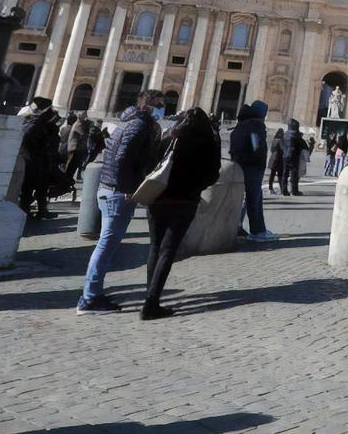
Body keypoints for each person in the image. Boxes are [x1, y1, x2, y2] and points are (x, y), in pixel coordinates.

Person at [76, 91, 165, 315]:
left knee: (106, 245)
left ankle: (92, 293)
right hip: (117, 192)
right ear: (149, 106)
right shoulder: (138, 126)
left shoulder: (127, 123)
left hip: (109, 188)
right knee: (106, 246)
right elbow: (122, 157)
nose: (163, 108)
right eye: (160, 104)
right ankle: (89, 298)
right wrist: (127, 187)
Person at [141, 107, 222, 319]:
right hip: (185, 201)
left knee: (155, 247)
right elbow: (213, 176)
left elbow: (149, 164)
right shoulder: (207, 144)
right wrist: (196, 186)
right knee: (168, 251)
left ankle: (151, 295)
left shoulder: (170, 137)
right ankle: (152, 301)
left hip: (158, 198)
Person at [229, 101, 276, 241]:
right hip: (252, 167)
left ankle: (236, 226)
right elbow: (256, 146)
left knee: (242, 197)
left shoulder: (241, 125)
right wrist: (259, 160)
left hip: (239, 164)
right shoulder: (255, 126)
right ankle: (258, 231)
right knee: (254, 198)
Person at [18, 98, 61, 219]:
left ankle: (41, 210)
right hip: (32, 159)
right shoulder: (34, 121)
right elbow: (25, 136)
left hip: (41, 159)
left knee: (41, 187)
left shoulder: (42, 122)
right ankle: (24, 212)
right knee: (28, 188)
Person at [280, 119, 308, 196]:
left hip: (285, 156)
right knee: (294, 174)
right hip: (294, 156)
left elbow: (281, 145)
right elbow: (304, 146)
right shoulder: (297, 136)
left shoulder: (285, 135)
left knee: (285, 174)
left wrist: (285, 151)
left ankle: (284, 190)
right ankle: (294, 190)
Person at [266, 127, 285, 194]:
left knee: (272, 174)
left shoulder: (274, 140)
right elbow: (283, 149)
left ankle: (270, 188)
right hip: (279, 159)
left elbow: (271, 149)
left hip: (273, 158)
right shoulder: (280, 141)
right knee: (280, 175)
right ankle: (282, 189)